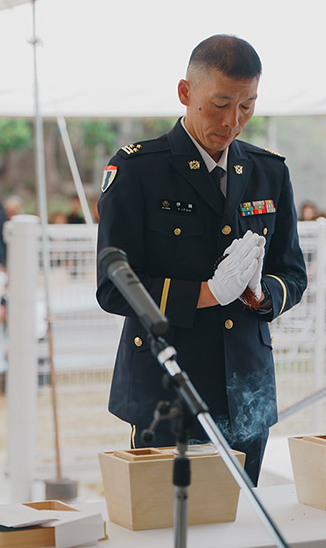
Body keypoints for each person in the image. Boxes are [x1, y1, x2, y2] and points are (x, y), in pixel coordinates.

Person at [96, 35, 307, 485]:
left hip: (245, 389)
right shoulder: (139, 170)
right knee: (165, 526)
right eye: (220, 104)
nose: (233, 121)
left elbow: (291, 272)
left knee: (243, 524)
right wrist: (208, 295)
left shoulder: (269, 171)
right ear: (185, 93)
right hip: (168, 389)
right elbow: (113, 287)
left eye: (247, 106)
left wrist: (260, 293)